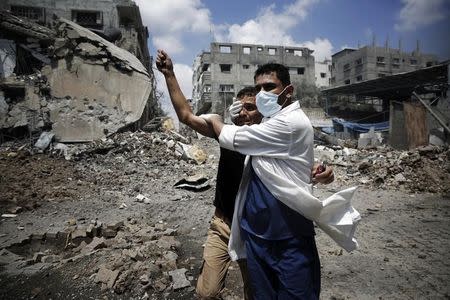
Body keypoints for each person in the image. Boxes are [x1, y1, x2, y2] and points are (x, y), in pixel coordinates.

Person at [155, 50, 336, 299]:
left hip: (265, 231)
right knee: (210, 292)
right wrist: (170, 74)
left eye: (252, 107)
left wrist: (320, 172)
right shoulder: (231, 133)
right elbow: (186, 116)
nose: (246, 113)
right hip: (229, 225)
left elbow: (297, 165)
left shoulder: (268, 134)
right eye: (241, 108)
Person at [202, 62, 360, 299]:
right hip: (253, 235)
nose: (262, 95)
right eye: (259, 90)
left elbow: (300, 161)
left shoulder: (283, 125)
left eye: (269, 87)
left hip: (290, 238)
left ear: (288, 91)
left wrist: (216, 120)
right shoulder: (258, 129)